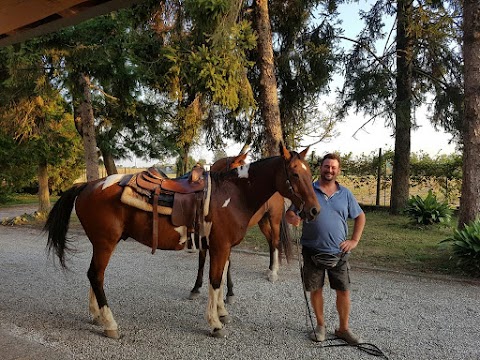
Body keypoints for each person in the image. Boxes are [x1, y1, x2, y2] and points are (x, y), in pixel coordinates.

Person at [286, 153, 366, 344]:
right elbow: (290, 213)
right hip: (312, 251)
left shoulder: (345, 194)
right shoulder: (307, 189)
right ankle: (320, 326)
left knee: (344, 291)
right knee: (316, 289)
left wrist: (354, 240)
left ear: (338, 170)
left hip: (340, 252)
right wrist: (293, 218)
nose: (329, 170)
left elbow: (360, 216)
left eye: (333, 167)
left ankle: (343, 329)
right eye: (326, 166)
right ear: (320, 168)